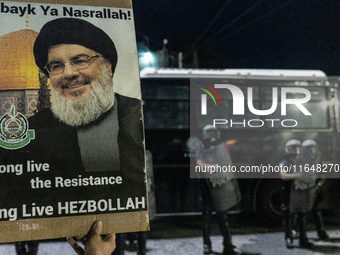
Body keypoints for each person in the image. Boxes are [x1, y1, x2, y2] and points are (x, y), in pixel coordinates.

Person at [30, 17, 144, 175]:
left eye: (80, 61)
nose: (69, 73)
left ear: (107, 67)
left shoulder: (139, 115)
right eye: (57, 66)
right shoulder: (35, 129)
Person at [195, 125, 242, 255]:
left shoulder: (220, 149)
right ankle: (206, 245)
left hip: (219, 186)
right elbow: (200, 164)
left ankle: (228, 245)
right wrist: (214, 166)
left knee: (223, 218)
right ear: (204, 134)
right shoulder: (201, 148)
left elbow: (227, 163)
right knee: (206, 219)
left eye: (214, 132)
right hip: (206, 188)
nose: (212, 135)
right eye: (209, 132)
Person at [280, 139, 315, 249]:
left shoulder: (301, 161)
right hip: (288, 193)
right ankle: (289, 238)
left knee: (302, 215)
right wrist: (299, 174)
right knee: (288, 215)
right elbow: (284, 175)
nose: (297, 150)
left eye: (298, 147)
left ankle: (303, 239)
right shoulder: (284, 162)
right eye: (294, 148)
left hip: (300, 192)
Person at [301, 139, 329, 240]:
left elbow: (321, 173)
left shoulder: (317, 158)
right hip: (305, 187)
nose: (312, 150)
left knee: (315, 210)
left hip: (314, 187)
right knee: (302, 212)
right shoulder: (301, 159)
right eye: (309, 148)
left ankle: (321, 233)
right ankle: (297, 232)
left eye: (313, 148)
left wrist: (319, 185)